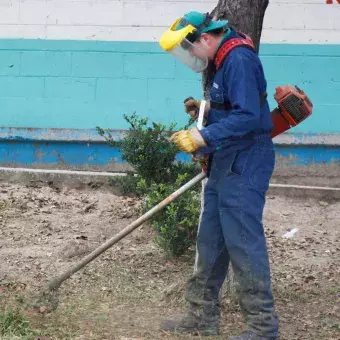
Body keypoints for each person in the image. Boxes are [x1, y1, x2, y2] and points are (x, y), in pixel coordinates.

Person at [158, 11, 279, 340]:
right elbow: (231, 111)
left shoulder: (238, 59)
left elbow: (248, 117)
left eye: (189, 49)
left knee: (243, 242)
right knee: (210, 240)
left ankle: (263, 328)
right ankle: (201, 317)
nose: (191, 57)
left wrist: (202, 138)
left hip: (246, 160)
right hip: (225, 159)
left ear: (205, 38)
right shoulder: (222, 60)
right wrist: (205, 120)